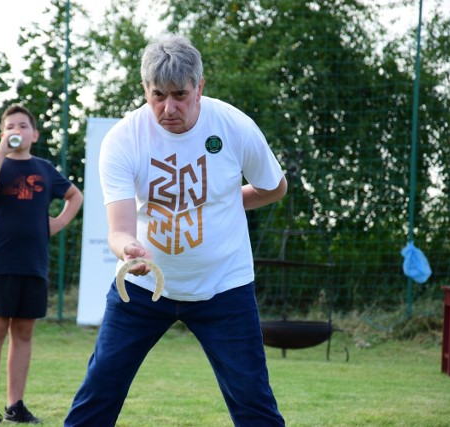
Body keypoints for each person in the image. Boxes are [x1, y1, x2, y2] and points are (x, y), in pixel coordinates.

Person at [64, 34, 287, 426]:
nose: (169, 108)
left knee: (254, 401)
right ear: (144, 90)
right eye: (158, 95)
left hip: (225, 285)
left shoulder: (234, 126)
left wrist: (226, 202)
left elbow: (275, 187)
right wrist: (129, 248)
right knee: (99, 391)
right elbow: (118, 229)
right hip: (143, 288)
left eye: (180, 95)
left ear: (200, 88)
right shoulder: (122, 140)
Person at [0, 104, 83, 424]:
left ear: (34, 134)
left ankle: (15, 406)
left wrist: (57, 223)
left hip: (33, 262)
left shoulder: (45, 169)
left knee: (23, 332)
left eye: (23, 126)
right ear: (2, 133)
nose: (16, 131)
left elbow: (75, 196)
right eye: (10, 126)